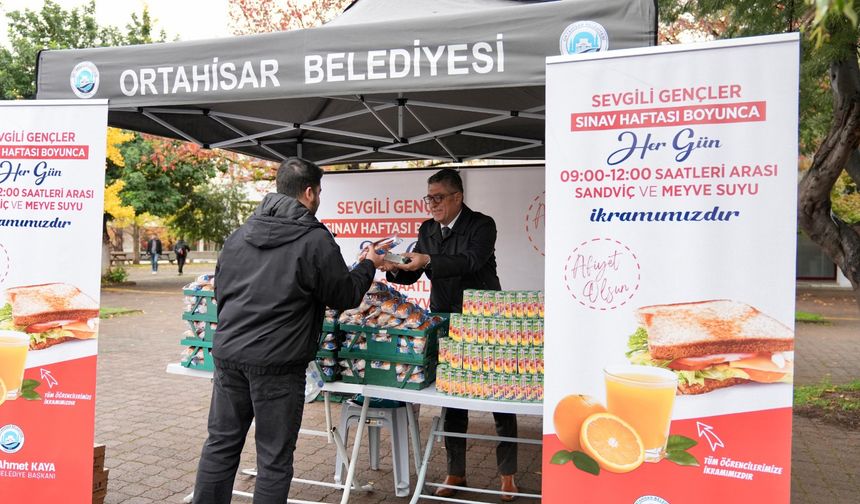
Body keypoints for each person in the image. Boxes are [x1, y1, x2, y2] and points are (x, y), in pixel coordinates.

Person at [192, 158, 385, 504]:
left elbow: (222, 292)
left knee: (221, 445)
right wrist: (369, 264)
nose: (319, 198)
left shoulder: (239, 235)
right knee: (273, 459)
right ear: (309, 193)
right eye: (319, 192)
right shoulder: (314, 240)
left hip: (229, 356)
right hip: (278, 365)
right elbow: (343, 295)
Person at [380, 168, 519, 501]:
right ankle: (456, 472)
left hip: (485, 321)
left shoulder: (481, 225)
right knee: (452, 397)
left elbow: (470, 261)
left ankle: (508, 474)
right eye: (428, 198)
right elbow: (413, 270)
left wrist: (427, 259)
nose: (432, 204)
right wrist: (391, 264)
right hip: (446, 320)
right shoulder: (427, 229)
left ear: (458, 197)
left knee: (500, 396)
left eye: (438, 197)